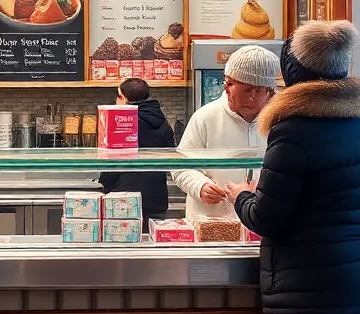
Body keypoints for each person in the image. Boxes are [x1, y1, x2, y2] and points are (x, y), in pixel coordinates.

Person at [226, 21, 360, 314]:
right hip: (355, 282)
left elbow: (268, 218)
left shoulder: (293, 129)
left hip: (308, 291)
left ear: (293, 72)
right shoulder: (358, 124)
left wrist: (240, 196)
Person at [171, 44, 281, 220]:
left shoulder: (283, 120)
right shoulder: (205, 117)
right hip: (212, 223)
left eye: (258, 90)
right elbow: (180, 167)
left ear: (270, 90)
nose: (251, 97)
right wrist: (200, 186)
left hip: (265, 224)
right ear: (227, 86)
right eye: (245, 90)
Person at [98, 78, 174, 224]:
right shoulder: (163, 122)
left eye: (119, 96)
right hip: (156, 198)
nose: (116, 100)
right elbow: (171, 159)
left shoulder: (120, 123)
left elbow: (112, 163)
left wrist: (106, 187)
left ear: (126, 99)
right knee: (150, 244)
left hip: (123, 198)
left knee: (124, 245)